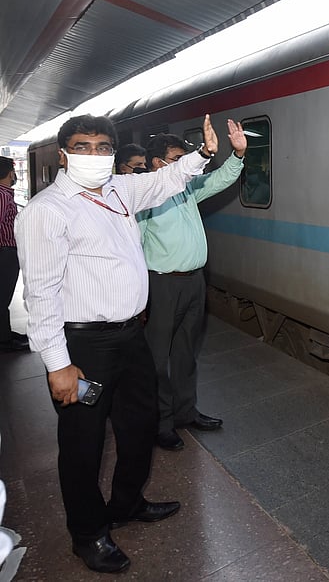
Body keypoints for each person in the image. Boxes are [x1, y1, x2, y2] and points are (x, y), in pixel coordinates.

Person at [14, 113, 222, 574]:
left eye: (103, 147)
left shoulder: (119, 191)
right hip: (85, 346)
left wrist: (204, 155)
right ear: (64, 154)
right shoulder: (47, 211)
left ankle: (126, 503)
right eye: (83, 146)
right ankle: (87, 533)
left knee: (140, 427)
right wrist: (57, 364)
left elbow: (166, 180)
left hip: (131, 337)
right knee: (84, 443)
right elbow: (41, 294)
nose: (94, 155)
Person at [139, 123, 246, 451]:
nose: (187, 164)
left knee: (187, 352)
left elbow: (219, 179)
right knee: (157, 359)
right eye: (179, 158)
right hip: (161, 285)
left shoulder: (187, 189)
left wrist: (239, 154)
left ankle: (186, 411)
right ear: (159, 163)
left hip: (194, 283)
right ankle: (161, 422)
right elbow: (134, 245)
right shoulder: (144, 197)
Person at [0, 156, 28, 352]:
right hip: (4, 253)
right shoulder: (1, 195)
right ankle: (4, 341)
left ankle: (6, 334)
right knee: (2, 297)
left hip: (6, 252)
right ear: (10, 173)